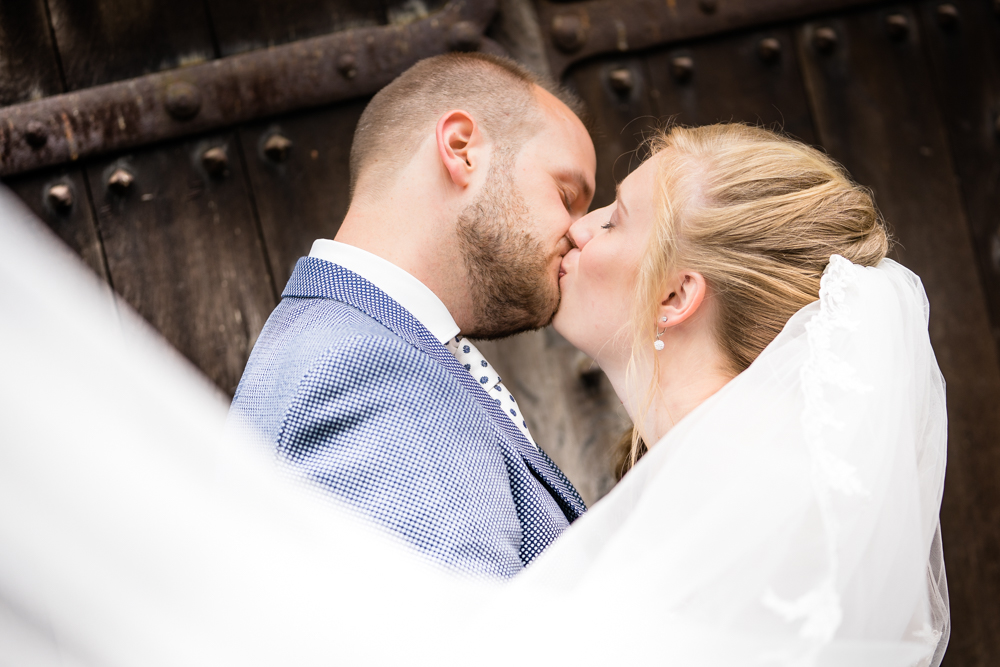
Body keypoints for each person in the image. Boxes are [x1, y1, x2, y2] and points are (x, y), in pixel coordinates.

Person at [0, 122, 948, 666]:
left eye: (612, 213)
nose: (580, 232)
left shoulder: (758, 512)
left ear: (674, 294)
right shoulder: (723, 494)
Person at [228, 53, 596, 578]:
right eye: (567, 195)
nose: (581, 232)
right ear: (462, 148)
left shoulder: (350, 339)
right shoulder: (365, 370)